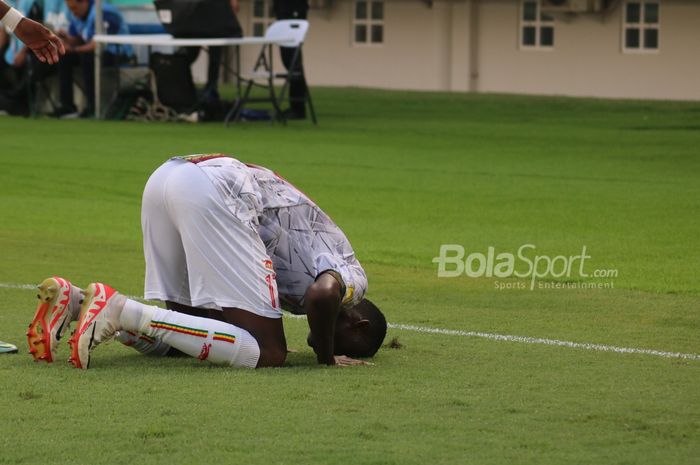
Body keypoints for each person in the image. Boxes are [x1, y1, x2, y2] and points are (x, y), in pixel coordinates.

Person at [27, 154, 387, 369]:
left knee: (190, 336)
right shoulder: (353, 282)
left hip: (169, 177)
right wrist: (328, 360)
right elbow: (322, 297)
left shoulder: (312, 275)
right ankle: (118, 309)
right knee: (269, 353)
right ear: (358, 323)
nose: (319, 344)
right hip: (216, 191)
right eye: (343, 346)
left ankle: (74, 301)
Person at [53, 0, 132, 118]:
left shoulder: (105, 12)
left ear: (84, 2)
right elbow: (79, 38)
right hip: (93, 52)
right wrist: (65, 38)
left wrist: (74, 50)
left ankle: (93, 106)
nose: (73, 12)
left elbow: (99, 44)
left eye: (74, 8)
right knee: (64, 57)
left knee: (88, 58)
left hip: (117, 53)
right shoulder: (78, 15)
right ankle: (67, 106)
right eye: (71, 9)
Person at [180, 0, 241, 105]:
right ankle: (183, 85)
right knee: (190, 53)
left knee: (215, 54)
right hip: (195, 13)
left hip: (216, 15)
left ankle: (211, 89)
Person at [273, 0, 308, 120]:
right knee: (289, 59)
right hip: (284, 9)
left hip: (293, 9)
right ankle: (298, 101)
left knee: (293, 59)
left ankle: (298, 107)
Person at [0, 0, 64, 64]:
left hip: (32, 54)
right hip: (11, 55)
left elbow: (42, 24)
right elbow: (3, 30)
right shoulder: (7, 2)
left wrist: (23, 51)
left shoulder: (32, 3)